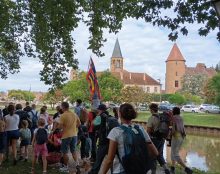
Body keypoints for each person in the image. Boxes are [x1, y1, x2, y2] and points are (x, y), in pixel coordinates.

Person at [102, 103, 158, 174]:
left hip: (121, 171)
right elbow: (155, 152)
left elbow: (109, 160)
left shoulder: (116, 131)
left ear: (120, 114)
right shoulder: (140, 129)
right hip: (139, 170)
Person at [88, 104, 119, 174]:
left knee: (98, 160)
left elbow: (93, 124)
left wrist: (98, 115)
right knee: (111, 158)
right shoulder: (110, 117)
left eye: (98, 109)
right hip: (111, 141)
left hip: (103, 142)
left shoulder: (100, 116)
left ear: (100, 110)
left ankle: (93, 172)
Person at [147, 103, 170, 174]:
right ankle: (166, 169)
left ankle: (153, 172)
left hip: (154, 139)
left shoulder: (152, 118)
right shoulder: (161, 117)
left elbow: (148, 131)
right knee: (159, 155)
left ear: (151, 109)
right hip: (162, 139)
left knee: (152, 156)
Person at [59, 102, 81, 173]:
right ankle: (77, 164)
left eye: (61, 107)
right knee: (73, 151)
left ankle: (66, 167)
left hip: (66, 136)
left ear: (63, 107)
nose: (61, 108)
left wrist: (60, 128)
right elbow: (79, 124)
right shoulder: (74, 114)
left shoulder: (63, 115)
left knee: (65, 152)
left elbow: (60, 127)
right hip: (74, 135)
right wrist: (74, 128)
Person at [170, 107, 193, 174]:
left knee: (175, 154)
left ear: (173, 111)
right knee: (173, 152)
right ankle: (172, 167)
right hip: (181, 136)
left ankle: (186, 168)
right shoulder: (181, 117)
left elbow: (173, 129)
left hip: (176, 136)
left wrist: (169, 135)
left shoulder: (173, 118)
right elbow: (182, 128)